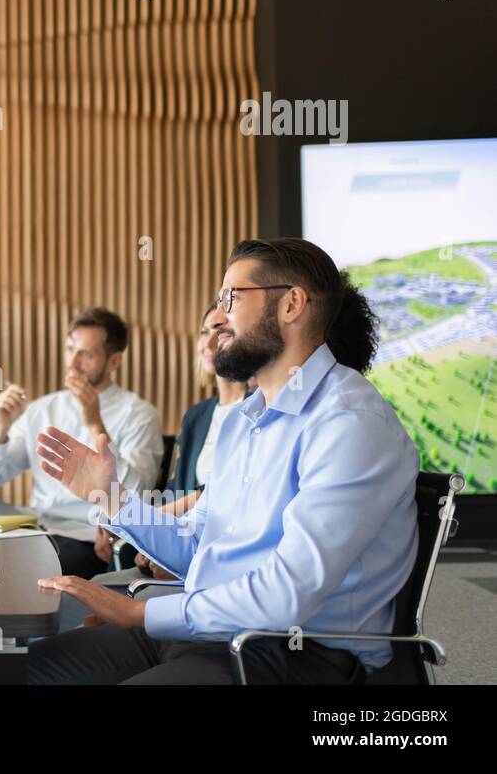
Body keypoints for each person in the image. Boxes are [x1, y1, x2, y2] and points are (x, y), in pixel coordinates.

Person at [29, 238, 418, 684]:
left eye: (232, 297)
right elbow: (199, 547)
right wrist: (112, 498)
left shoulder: (348, 423)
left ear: (291, 304)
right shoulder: (244, 420)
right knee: (22, 670)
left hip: (292, 653)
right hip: (214, 629)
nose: (218, 317)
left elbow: (287, 594)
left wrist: (139, 614)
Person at [0, 307, 164, 684]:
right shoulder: (43, 409)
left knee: (11, 582)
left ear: (114, 360)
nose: (74, 362)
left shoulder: (139, 415)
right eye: (70, 349)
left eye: (87, 353)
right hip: (35, 530)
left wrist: (92, 421)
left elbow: (138, 492)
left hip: (84, 538)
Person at [91, 304, 249, 590]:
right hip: (183, 537)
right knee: (99, 582)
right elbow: (174, 491)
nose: (209, 342)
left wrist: (143, 524)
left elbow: (226, 493)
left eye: (222, 331)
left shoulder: (257, 410)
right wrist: (136, 528)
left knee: (104, 588)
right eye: (204, 332)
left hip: (216, 548)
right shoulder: (197, 416)